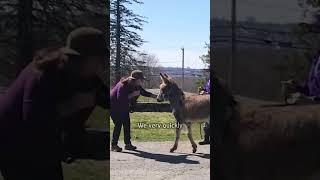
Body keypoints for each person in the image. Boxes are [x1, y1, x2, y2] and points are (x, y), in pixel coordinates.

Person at [0, 27, 108, 180]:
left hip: (44, 146)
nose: (101, 65)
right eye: (98, 59)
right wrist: (73, 105)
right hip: (13, 141)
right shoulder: (43, 74)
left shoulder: (85, 76)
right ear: (81, 58)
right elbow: (32, 120)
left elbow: (105, 97)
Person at [110, 70, 157, 152]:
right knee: (118, 124)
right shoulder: (123, 85)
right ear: (135, 80)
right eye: (141, 80)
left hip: (123, 107)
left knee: (127, 124)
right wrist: (132, 95)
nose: (142, 81)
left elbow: (143, 92)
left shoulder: (136, 85)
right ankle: (114, 145)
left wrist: (156, 97)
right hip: (114, 106)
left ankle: (128, 144)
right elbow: (120, 99)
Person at [199, 79, 210, 145]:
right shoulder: (209, 81)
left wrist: (207, 93)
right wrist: (203, 90)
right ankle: (206, 140)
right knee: (206, 124)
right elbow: (207, 89)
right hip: (207, 105)